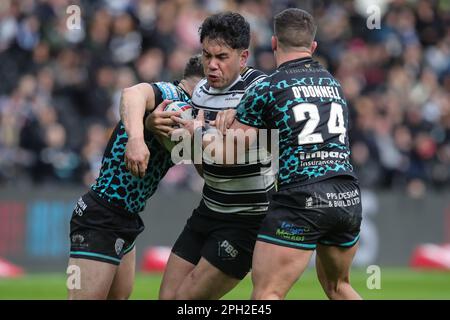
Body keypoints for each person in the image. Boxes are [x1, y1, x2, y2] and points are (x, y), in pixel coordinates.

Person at [211, 8, 362, 300]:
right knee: (338, 287)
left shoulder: (268, 87)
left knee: (267, 294)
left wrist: (204, 129)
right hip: (347, 196)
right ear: (313, 47)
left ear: (273, 43)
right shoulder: (334, 85)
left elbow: (229, 153)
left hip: (302, 199)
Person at [152, 12, 274, 300]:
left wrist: (211, 127)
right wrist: (162, 129)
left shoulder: (259, 89)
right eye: (206, 55)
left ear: (243, 57)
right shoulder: (201, 95)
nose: (211, 65)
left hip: (247, 219)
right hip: (208, 210)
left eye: (221, 56)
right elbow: (202, 165)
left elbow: (238, 150)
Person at [67, 56, 204, 300]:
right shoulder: (173, 95)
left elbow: (202, 167)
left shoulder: (193, 114)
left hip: (126, 217)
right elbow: (132, 93)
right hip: (101, 214)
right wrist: (136, 139)